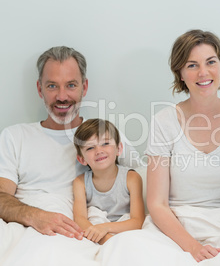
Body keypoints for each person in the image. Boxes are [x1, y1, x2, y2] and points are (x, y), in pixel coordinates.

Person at [0, 46, 138, 263]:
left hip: (81, 230)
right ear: (39, 89)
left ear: (84, 86)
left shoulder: (106, 138)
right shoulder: (14, 136)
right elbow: (1, 197)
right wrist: (35, 216)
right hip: (27, 228)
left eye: (71, 85)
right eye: (52, 86)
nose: (62, 96)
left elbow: (142, 183)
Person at [145, 29, 220, 262]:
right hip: (175, 227)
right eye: (192, 65)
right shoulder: (163, 121)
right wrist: (192, 247)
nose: (203, 72)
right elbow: (157, 203)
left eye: (211, 62)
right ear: (180, 73)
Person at [73, 118, 145, 244]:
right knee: (93, 214)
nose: (99, 151)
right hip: (96, 233)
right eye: (90, 148)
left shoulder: (131, 178)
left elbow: (137, 221)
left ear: (119, 148)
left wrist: (105, 228)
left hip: (123, 228)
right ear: (81, 159)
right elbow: (80, 219)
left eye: (105, 144)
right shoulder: (80, 183)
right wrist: (106, 238)